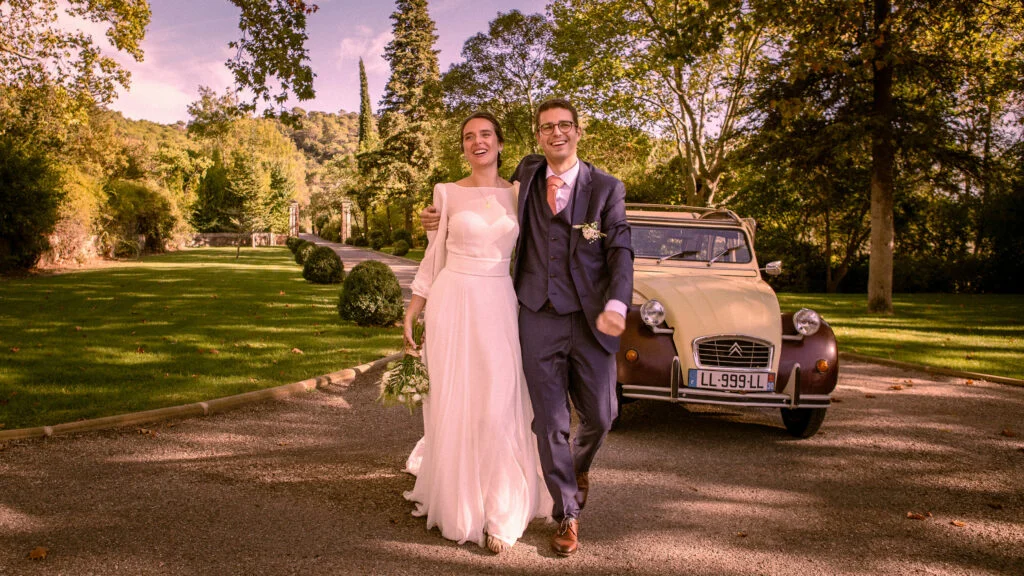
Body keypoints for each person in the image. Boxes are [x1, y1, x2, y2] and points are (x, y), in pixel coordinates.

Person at [420, 98, 634, 556]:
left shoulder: (606, 189)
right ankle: (568, 513)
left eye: (564, 126)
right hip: (536, 315)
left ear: (578, 132)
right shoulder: (529, 176)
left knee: (602, 414)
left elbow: (620, 250)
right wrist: (433, 220)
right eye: (546, 128)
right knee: (549, 422)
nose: (556, 134)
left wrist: (617, 301)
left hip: (592, 318)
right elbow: (470, 200)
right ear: (537, 137)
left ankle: (577, 469)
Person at [402, 111, 551, 555]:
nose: (477, 141)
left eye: (486, 134)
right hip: (452, 303)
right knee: (455, 401)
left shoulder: (523, 194)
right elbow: (433, 257)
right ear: (463, 147)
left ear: (501, 144)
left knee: (499, 403)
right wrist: (413, 311)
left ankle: (500, 509)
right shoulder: (445, 193)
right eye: (469, 137)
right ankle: (460, 502)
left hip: (499, 304)